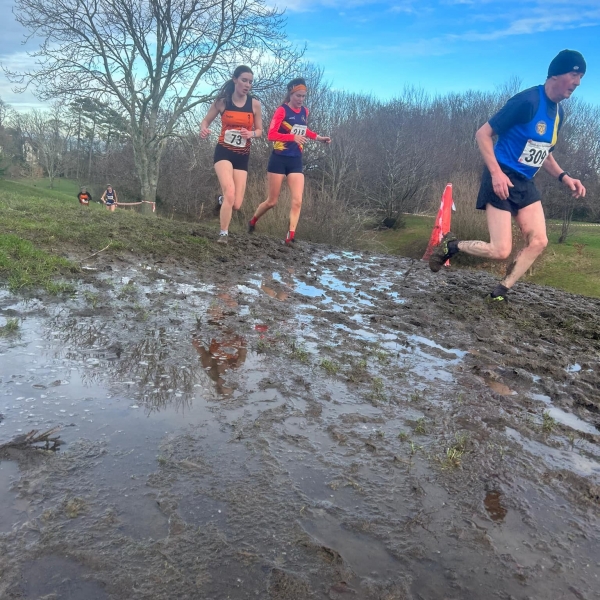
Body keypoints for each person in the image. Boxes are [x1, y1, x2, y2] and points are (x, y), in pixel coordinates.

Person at [429, 49, 587, 302]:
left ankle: (500, 291)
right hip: (500, 177)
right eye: (574, 74)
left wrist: (564, 177)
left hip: (525, 182)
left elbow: (544, 153)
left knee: (539, 241)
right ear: (556, 75)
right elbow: (483, 134)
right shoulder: (526, 102)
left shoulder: (560, 114)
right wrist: (496, 174)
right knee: (500, 250)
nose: (578, 83)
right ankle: (452, 246)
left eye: (581, 78)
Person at [247, 77, 331, 245]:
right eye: (298, 96)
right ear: (291, 93)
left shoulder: (305, 112)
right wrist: (292, 137)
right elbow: (271, 135)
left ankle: (290, 236)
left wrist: (319, 138)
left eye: (303, 96)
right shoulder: (282, 111)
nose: (300, 100)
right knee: (272, 201)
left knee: (298, 200)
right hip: (278, 159)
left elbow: (303, 129)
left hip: (295, 161)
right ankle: (253, 221)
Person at [200, 66, 263, 244]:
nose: (247, 85)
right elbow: (205, 121)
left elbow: (260, 130)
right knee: (230, 192)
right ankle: (223, 234)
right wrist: (204, 130)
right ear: (235, 79)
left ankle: (221, 201)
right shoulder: (222, 102)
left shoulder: (255, 104)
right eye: (244, 80)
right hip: (224, 151)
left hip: (242, 155)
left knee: (236, 204)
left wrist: (251, 134)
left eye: (250, 82)